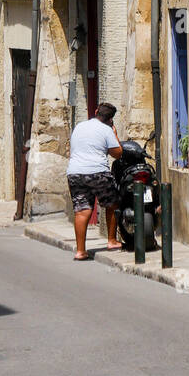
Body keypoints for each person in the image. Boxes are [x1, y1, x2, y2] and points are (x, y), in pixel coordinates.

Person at [67, 102, 123, 261]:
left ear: (96, 111)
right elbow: (117, 153)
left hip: (75, 173)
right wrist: (115, 133)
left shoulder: (80, 126)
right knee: (112, 204)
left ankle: (80, 251)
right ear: (110, 119)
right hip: (97, 172)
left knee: (82, 210)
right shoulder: (106, 130)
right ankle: (111, 240)